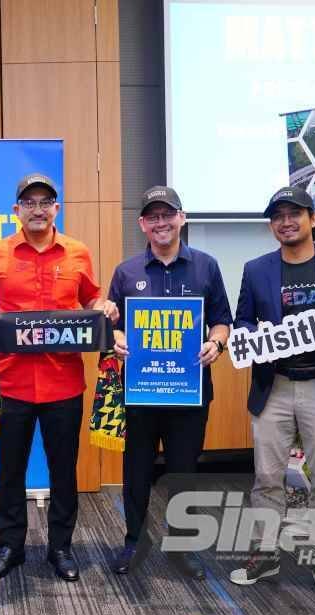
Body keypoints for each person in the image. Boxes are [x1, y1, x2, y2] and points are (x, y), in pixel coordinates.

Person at [0, 174, 117, 582]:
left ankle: (61, 548)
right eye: (29, 203)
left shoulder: (78, 252)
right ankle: (10, 547)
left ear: (56, 209)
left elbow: (92, 297)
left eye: (45, 202)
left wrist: (104, 307)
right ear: (16, 210)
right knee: (10, 470)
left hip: (64, 382)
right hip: (12, 381)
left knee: (63, 470)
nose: (38, 209)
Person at [229, 186, 315, 602]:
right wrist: (257, 335)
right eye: (278, 216)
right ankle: (265, 554)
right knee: (267, 478)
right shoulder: (256, 270)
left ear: (314, 219)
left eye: (294, 214)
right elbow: (241, 323)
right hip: (274, 386)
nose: (285, 222)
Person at [106, 186, 231, 579]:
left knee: (184, 472)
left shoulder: (207, 266)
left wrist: (216, 343)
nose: (161, 222)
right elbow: (112, 326)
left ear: (182, 218)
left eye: (168, 214)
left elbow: (222, 321)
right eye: (153, 217)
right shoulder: (126, 272)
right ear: (143, 224)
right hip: (141, 393)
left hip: (189, 393)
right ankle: (134, 541)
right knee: (136, 473)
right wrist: (117, 339)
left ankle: (183, 547)